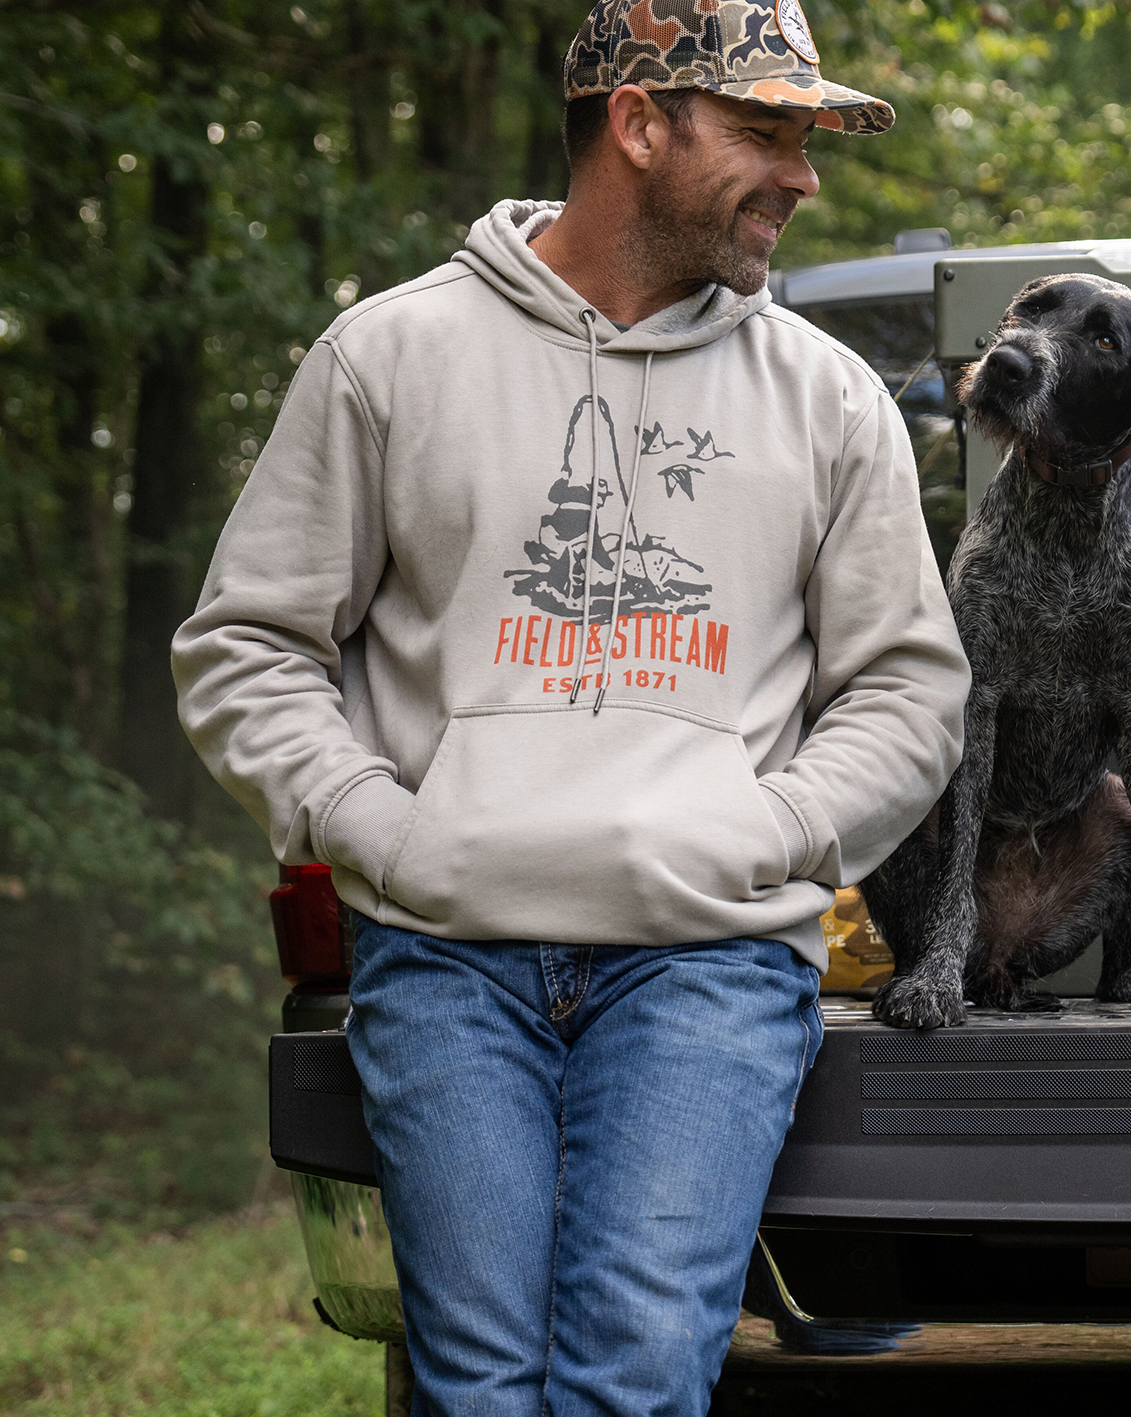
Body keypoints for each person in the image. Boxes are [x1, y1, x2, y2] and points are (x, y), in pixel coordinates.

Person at [173, 0, 970, 1410]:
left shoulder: (830, 401)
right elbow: (248, 646)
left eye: (805, 140)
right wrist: (380, 826)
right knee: (478, 1385)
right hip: (446, 953)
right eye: (764, 132)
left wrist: (772, 830)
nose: (802, 174)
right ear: (640, 123)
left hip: (709, 959)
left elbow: (907, 689)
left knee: (635, 1381)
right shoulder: (388, 359)